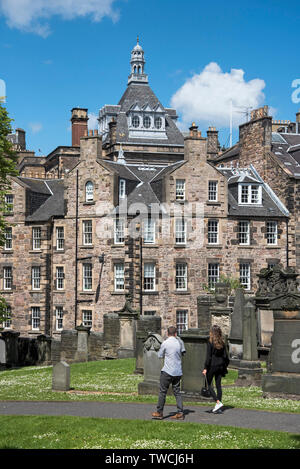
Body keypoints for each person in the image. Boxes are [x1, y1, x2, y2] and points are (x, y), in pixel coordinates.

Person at [151, 326, 186, 420]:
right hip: (178, 371)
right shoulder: (180, 342)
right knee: (177, 392)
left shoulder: (165, 343)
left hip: (167, 371)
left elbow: (160, 355)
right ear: (176, 334)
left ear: (167, 333)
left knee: (163, 392)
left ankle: (159, 412)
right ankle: (180, 412)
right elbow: (183, 353)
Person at [202, 325, 229, 413]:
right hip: (220, 365)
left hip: (212, 366)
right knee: (218, 386)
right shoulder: (222, 343)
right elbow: (225, 356)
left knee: (208, 384)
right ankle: (219, 407)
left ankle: (217, 402)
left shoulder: (210, 342)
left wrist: (205, 367)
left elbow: (208, 357)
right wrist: (224, 366)